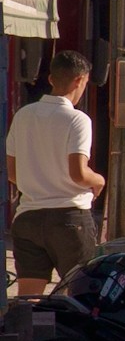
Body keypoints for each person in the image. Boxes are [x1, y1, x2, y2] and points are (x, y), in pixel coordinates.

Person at [7, 50, 104, 294]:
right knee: (81, 293)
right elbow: (78, 174)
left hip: (28, 218)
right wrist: (98, 180)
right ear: (81, 80)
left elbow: (12, 172)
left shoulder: (23, 116)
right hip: (69, 219)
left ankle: (28, 333)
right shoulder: (77, 120)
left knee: (28, 298)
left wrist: (39, 181)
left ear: (51, 79)